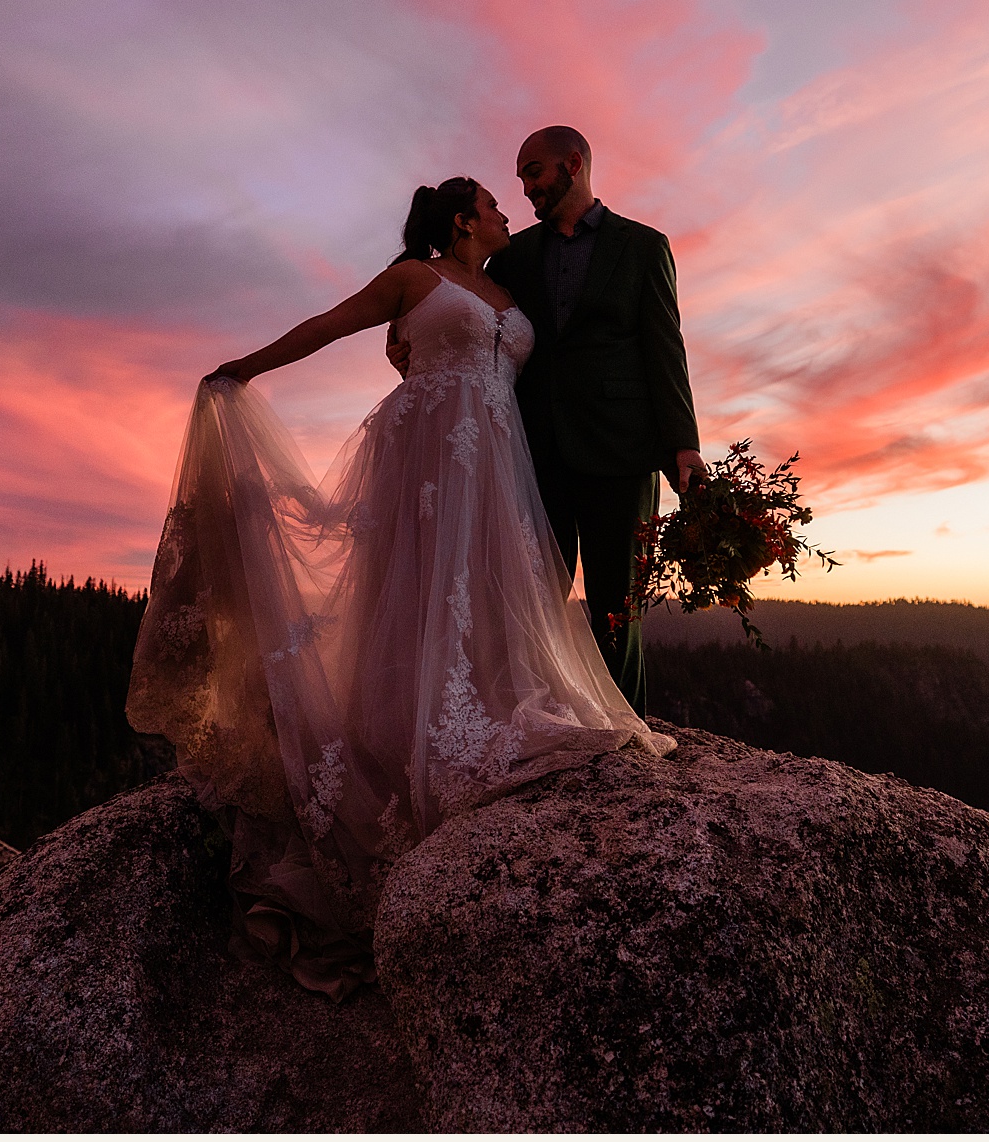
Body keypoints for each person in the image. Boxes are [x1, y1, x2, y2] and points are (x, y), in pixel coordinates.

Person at [126, 176, 672, 1002]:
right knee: (418, 592)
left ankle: (478, 710)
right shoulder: (415, 277)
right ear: (460, 220)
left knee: (493, 596)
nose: (505, 212)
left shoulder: (507, 284)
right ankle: (405, 747)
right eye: (492, 204)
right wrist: (247, 366)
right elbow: (330, 324)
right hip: (425, 451)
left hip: (496, 462)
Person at [390, 128, 705, 707]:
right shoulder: (515, 254)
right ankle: (540, 718)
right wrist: (404, 337)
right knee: (530, 599)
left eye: (534, 172)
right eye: (519, 179)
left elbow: (666, 347)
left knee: (619, 608)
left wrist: (682, 445)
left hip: (622, 450)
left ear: (573, 165)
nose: (526, 188)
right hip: (532, 451)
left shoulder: (644, 246)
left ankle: (628, 731)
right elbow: (461, 302)